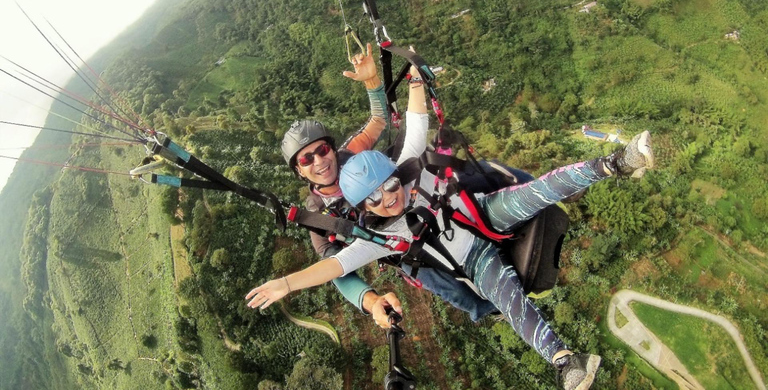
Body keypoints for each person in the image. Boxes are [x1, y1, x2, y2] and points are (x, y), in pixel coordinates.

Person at [249, 113, 655, 388]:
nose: (389, 198)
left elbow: (413, 124)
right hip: (470, 260)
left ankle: (617, 163)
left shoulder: (406, 168)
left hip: (482, 213)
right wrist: (287, 283)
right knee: (506, 296)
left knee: (535, 192)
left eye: (392, 186)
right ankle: (565, 361)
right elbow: (337, 266)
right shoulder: (373, 236)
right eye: (375, 199)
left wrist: (403, 70)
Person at [280, 43, 498, 328]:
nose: (319, 161)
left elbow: (379, 120)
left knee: (474, 173)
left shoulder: (351, 153)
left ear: (332, 149)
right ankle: (485, 308)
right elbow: (335, 268)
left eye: (322, 151)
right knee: (432, 277)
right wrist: (370, 301)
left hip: (406, 191)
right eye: (307, 159)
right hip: (396, 241)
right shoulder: (318, 214)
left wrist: (372, 81)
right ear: (299, 171)